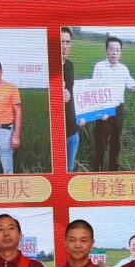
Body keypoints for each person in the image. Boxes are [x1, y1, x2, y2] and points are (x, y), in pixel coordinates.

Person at [91, 36, 135, 172]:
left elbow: (132, 87)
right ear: (106, 51)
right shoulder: (99, 67)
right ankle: (98, 168)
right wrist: (100, 111)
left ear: (120, 52)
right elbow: (94, 88)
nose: (114, 53)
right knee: (101, 141)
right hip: (103, 109)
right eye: (111, 49)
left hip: (118, 109)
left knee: (116, 140)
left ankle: (113, 167)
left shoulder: (123, 69)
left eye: (117, 50)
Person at [61, 27, 80, 172]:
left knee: (70, 170)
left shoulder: (69, 65)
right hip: (58, 133)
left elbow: (73, 94)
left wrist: (82, 116)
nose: (64, 46)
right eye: (61, 42)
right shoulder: (48, 67)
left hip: (73, 130)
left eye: (68, 42)